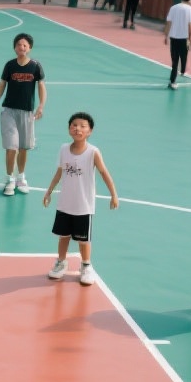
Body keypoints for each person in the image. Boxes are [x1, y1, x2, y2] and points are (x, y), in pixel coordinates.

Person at [42, 112, 119, 286]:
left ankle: (86, 266)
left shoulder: (93, 152)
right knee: (63, 236)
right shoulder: (63, 149)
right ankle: (61, 262)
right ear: (69, 128)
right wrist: (49, 192)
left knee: (84, 240)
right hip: (65, 203)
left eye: (83, 126)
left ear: (90, 131)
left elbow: (104, 173)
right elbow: (59, 172)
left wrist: (113, 194)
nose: (78, 129)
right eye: (74, 125)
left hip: (84, 205)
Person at [0, 32, 47, 196]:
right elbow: (2, 85)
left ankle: (21, 177)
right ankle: (10, 179)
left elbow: (41, 87)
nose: (21, 47)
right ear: (14, 48)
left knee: (23, 148)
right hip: (9, 111)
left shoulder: (35, 66)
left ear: (29, 48)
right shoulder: (10, 65)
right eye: (18, 44)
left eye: (24, 45)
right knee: (11, 147)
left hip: (27, 112)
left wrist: (41, 106)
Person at [163, 0, 191, 90]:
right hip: (184, 38)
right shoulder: (190, 9)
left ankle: (173, 81)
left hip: (173, 38)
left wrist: (166, 36)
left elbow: (168, 23)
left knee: (175, 61)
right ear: (189, 0)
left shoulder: (173, 8)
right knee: (183, 56)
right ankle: (182, 71)